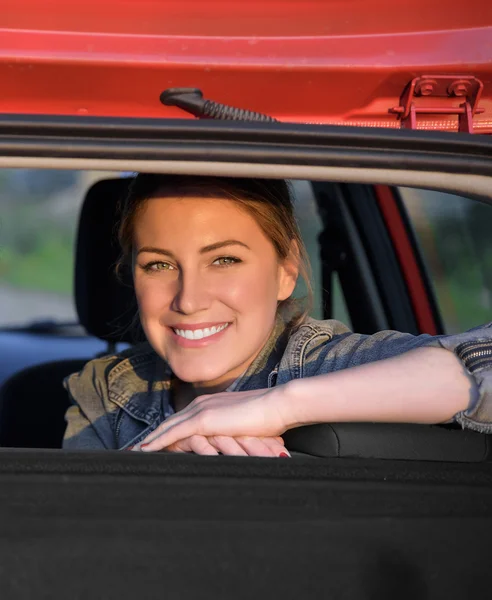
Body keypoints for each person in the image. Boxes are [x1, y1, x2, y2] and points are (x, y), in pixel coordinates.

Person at [63, 175, 492, 455]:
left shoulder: (323, 364)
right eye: (159, 264)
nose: (188, 300)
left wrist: (284, 405)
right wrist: (166, 456)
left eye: (225, 260)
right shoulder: (106, 390)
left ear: (286, 272)